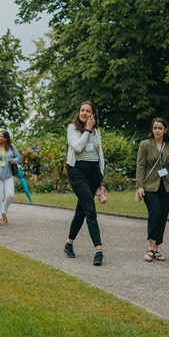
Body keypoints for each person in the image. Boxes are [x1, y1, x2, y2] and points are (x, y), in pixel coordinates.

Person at [135, 117, 169, 261]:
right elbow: (140, 166)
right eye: (155, 128)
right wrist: (140, 186)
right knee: (156, 213)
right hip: (149, 186)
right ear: (152, 130)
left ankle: (156, 249)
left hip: (166, 186)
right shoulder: (145, 144)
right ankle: (150, 248)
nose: (157, 131)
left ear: (165, 130)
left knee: (163, 216)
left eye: (160, 128)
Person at [64, 101, 106, 266]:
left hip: (93, 173)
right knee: (90, 210)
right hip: (77, 173)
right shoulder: (72, 128)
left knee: (81, 211)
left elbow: (99, 154)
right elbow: (77, 147)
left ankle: (69, 244)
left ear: (93, 114)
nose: (84, 113)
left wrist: (100, 178)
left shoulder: (97, 131)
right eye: (82, 110)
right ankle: (98, 250)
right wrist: (87, 130)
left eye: (88, 111)